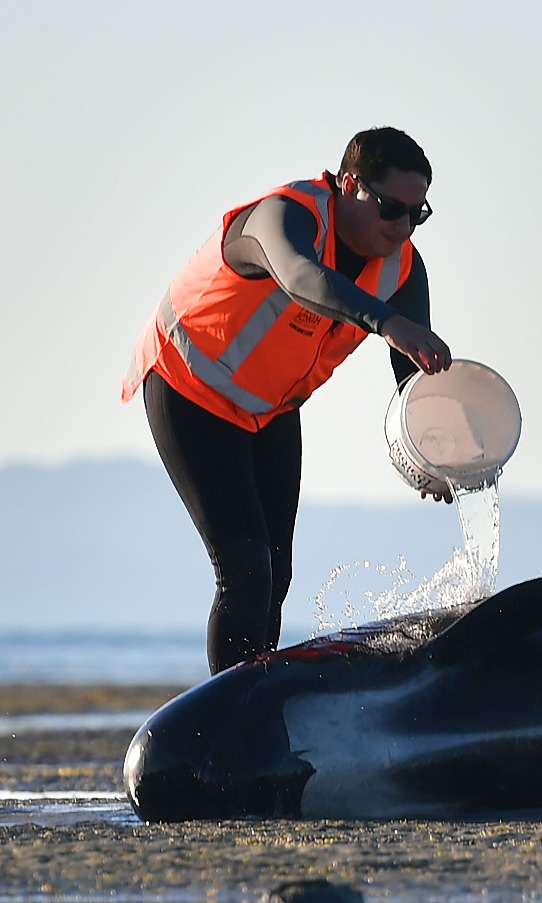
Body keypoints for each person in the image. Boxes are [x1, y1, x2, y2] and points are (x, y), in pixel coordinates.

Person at [121, 127, 453, 675]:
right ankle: (224, 729)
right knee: (245, 568)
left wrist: (436, 454)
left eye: (418, 215)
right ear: (351, 185)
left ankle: (255, 712)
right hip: (189, 390)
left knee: (275, 574)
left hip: (269, 411)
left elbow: (410, 376)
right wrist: (387, 321)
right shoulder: (283, 218)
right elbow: (302, 277)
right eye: (393, 209)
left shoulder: (403, 270)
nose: (403, 228)